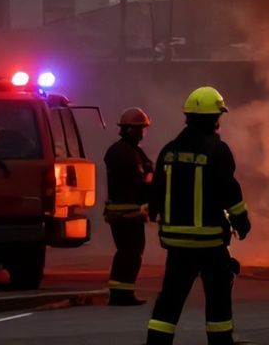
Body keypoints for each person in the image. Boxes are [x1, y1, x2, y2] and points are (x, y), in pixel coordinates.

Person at [145, 86, 251, 345]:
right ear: (213, 118)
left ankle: (156, 342)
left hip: (176, 243)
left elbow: (156, 189)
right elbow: (230, 191)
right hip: (210, 243)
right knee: (218, 299)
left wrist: (154, 212)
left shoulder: (169, 151)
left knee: (170, 299)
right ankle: (220, 342)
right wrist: (241, 222)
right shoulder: (217, 150)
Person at [103, 107, 154, 306]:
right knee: (130, 253)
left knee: (128, 252)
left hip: (126, 212)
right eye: (142, 128)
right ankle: (122, 295)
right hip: (127, 213)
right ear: (133, 129)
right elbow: (139, 181)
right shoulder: (125, 153)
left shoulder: (126, 150)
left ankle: (121, 292)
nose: (144, 132)